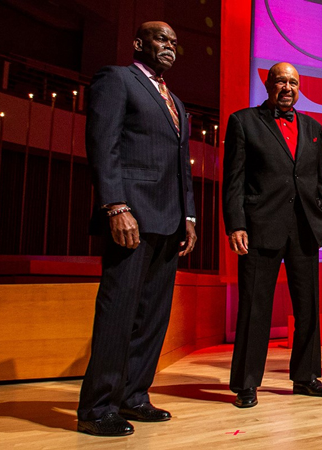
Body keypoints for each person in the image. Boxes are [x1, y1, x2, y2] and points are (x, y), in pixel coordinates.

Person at [77, 21, 196, 436]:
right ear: (138, 43)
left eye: (174, 43)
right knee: (119, 311)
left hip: (169, 220)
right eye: (161, 39)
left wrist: (190, 216)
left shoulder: (176, 102)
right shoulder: (117, 78)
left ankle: (133, 396)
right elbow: (102, 143)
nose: (169, 47)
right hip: (130, 216)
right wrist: (114, 205)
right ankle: (97, 408)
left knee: (152, 315)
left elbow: (182, 166)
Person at [222, 62, 322, 408]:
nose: (287, 87)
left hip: (304, 228)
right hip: (260, 227)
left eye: (293, 82)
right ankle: (246, 383)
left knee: (308, 307)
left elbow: (316, 180)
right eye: (281, 81)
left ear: (299, 88)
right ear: (268, 84)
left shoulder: (313, 127)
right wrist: (236, 224)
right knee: (255, 307)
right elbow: (234, 180)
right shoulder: (243, 122)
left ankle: (306, 377)